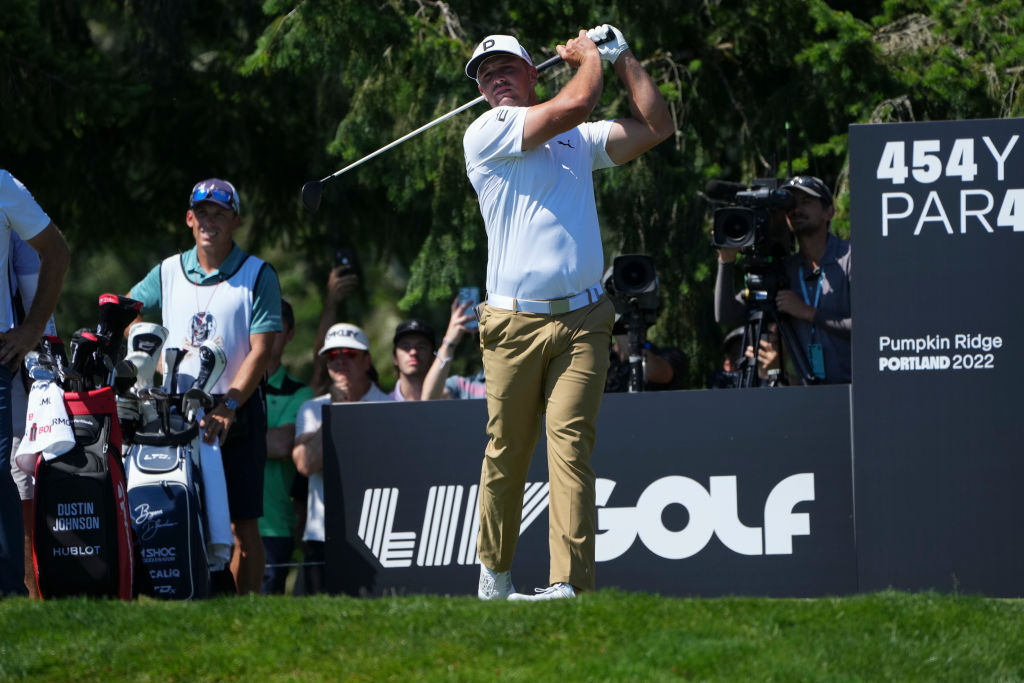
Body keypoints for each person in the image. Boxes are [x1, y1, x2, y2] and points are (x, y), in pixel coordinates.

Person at [462, 25, 673, 600]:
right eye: (486, 75)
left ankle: (568, 585)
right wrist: (587, 57)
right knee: (507, 451)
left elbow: (657, 126)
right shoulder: (487, 131)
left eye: (507, 68)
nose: (497, 79)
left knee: (571, 449)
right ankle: (495, 575)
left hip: (584, 321)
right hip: (512, 324)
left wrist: (621, 55)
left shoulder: (578, 140)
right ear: (480, 91)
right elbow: (576, 102)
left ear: (532, 74)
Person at [128, 178, 282, 594]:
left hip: (236, 407)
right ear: (189, 219)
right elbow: (128, 311)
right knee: (180, 510)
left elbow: (261, 351)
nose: (209, 222)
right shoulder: (168, 271)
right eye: (202, 213)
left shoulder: (258, 274)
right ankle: (191, 599)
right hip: (176, 409)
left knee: (243, 524)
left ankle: (246, 611)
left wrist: (229, 405)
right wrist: (150, 353)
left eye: (219, 213)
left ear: (235, 221)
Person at [0, 171, 70, 597]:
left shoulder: (3, 185)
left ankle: (13, 596)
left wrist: (34, 332)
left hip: (4, 354)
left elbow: (53, 255)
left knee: (1, 474)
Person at [715, 175, 851, 384]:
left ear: (829, 212)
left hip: (855, 391)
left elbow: (872, 327)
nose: (797, 209)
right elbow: (725, 314)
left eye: (806, 201)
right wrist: (726, 261)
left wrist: (807, 312)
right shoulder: (784, 270)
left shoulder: (850, 259)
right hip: (807, 393)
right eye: (791, 204)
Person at [293, 323, 392, 593]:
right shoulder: (312, 409)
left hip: (377, 531)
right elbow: (306, 464)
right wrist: (336, 412)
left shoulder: (390, 408)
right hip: (322, 534)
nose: (340, 361)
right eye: (332, 356)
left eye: (349, 353)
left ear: (367, 360)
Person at [258, 299, 313, 594]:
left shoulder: (299, 392)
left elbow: (281, 445)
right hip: (221, 524)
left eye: (277, 327)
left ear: (290, 334)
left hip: (273, 526)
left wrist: (231, 432)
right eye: (261, 326)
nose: (268, 333)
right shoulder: (226, 384)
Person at [422, 296, 482, 400]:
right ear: (479, 345)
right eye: (484, 337)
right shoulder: (463, 387)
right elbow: (429, 400)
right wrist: (449, 342)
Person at [389, 319, 436, 401]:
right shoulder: (383, 404)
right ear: (395, 357)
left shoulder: (449, 399)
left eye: (421, 347)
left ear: (433, 357)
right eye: (405, 347)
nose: (413, 352)